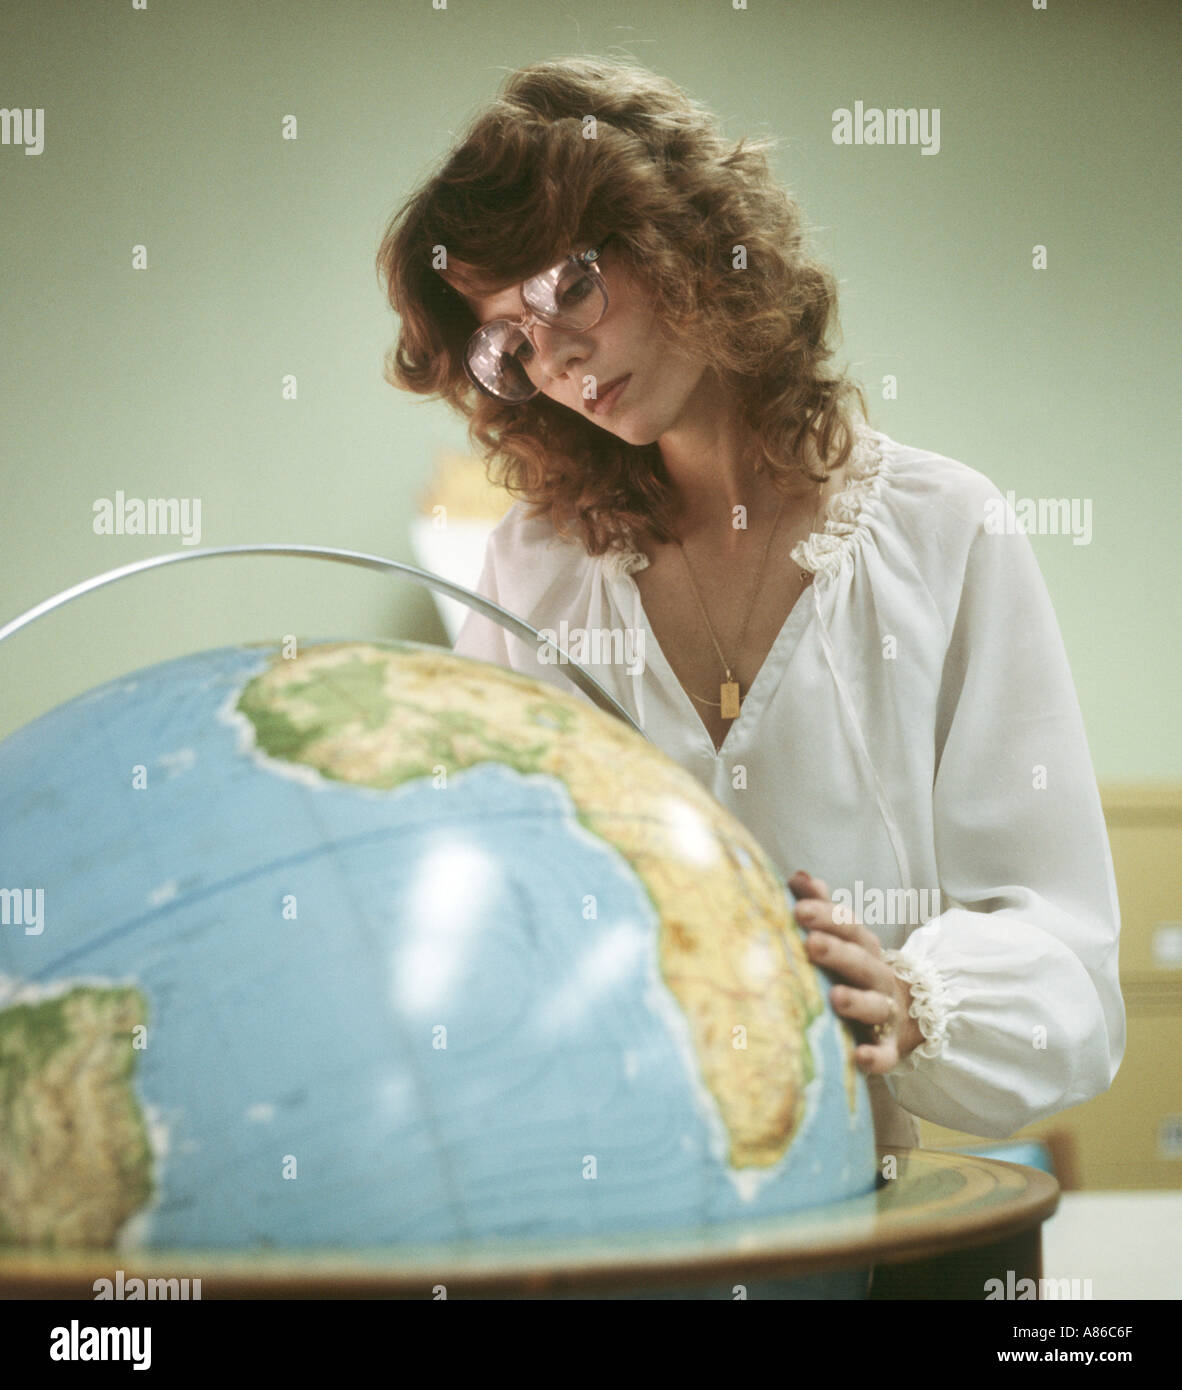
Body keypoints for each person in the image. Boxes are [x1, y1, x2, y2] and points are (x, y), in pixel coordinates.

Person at [375, 55, 1124, 1149]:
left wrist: (912, 998)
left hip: (855, 1199)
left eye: (569, 289)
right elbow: (491, 906)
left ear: (680, 238)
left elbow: (1066, 957)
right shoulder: (530, 571)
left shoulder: (946, 530)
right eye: (512, 345)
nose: (559, 357)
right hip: (603, 1189)